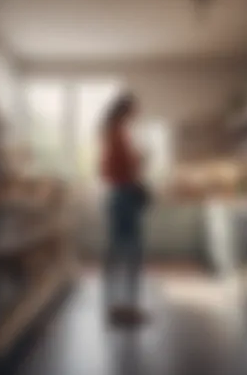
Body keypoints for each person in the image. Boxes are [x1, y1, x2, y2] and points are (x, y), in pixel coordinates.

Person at [99, 92, 148, 326]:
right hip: (124, 195)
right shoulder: (118, 134)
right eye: (134, 110)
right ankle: (125, 307)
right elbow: (124, 168)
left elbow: (107, 169)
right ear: (125, 110)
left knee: (119, 247)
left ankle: (118, 306)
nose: (136, 114)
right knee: (131, 250)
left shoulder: (112, 132)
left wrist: (135, 162)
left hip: (120, 194)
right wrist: (139, 161)